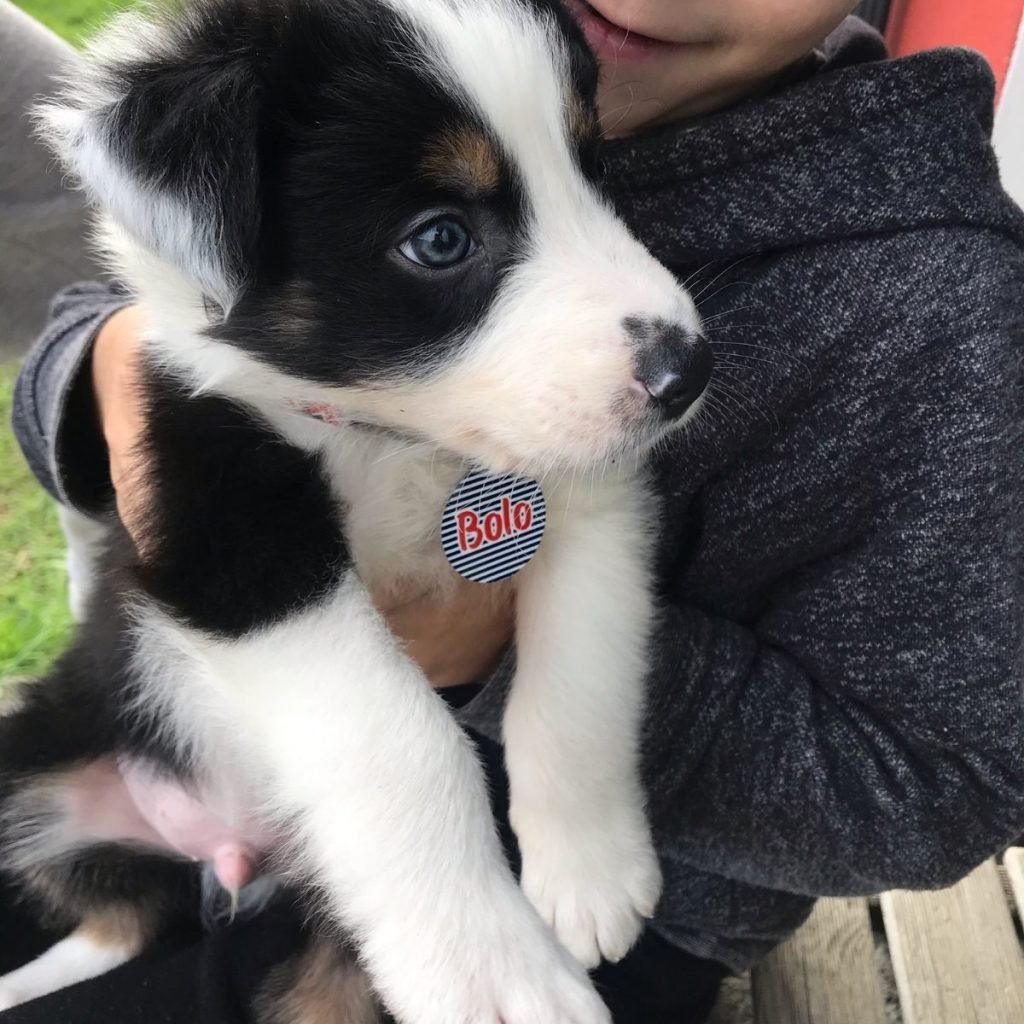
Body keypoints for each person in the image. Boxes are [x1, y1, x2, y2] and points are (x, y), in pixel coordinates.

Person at [6, 1, 1024, 1022]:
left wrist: (514, 690)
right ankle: (106, 934)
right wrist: (106, 371)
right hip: (150, 765)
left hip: (595, 906)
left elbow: (941, 789)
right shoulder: (419, 48)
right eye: (444, 236)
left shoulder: (944, 313)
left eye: (588, 176)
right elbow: (117, 319)